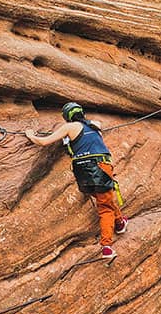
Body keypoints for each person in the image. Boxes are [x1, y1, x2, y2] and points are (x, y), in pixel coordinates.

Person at [25, 102, 127, 260]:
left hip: (81, 170)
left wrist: (31, 134)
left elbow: (45, 141)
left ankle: (120, 222)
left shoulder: (69, 128)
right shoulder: (94, 125)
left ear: (67, 117)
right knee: (105, 206)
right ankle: (106, 246)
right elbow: (92, 129)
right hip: (100, 166)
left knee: (103, 198)